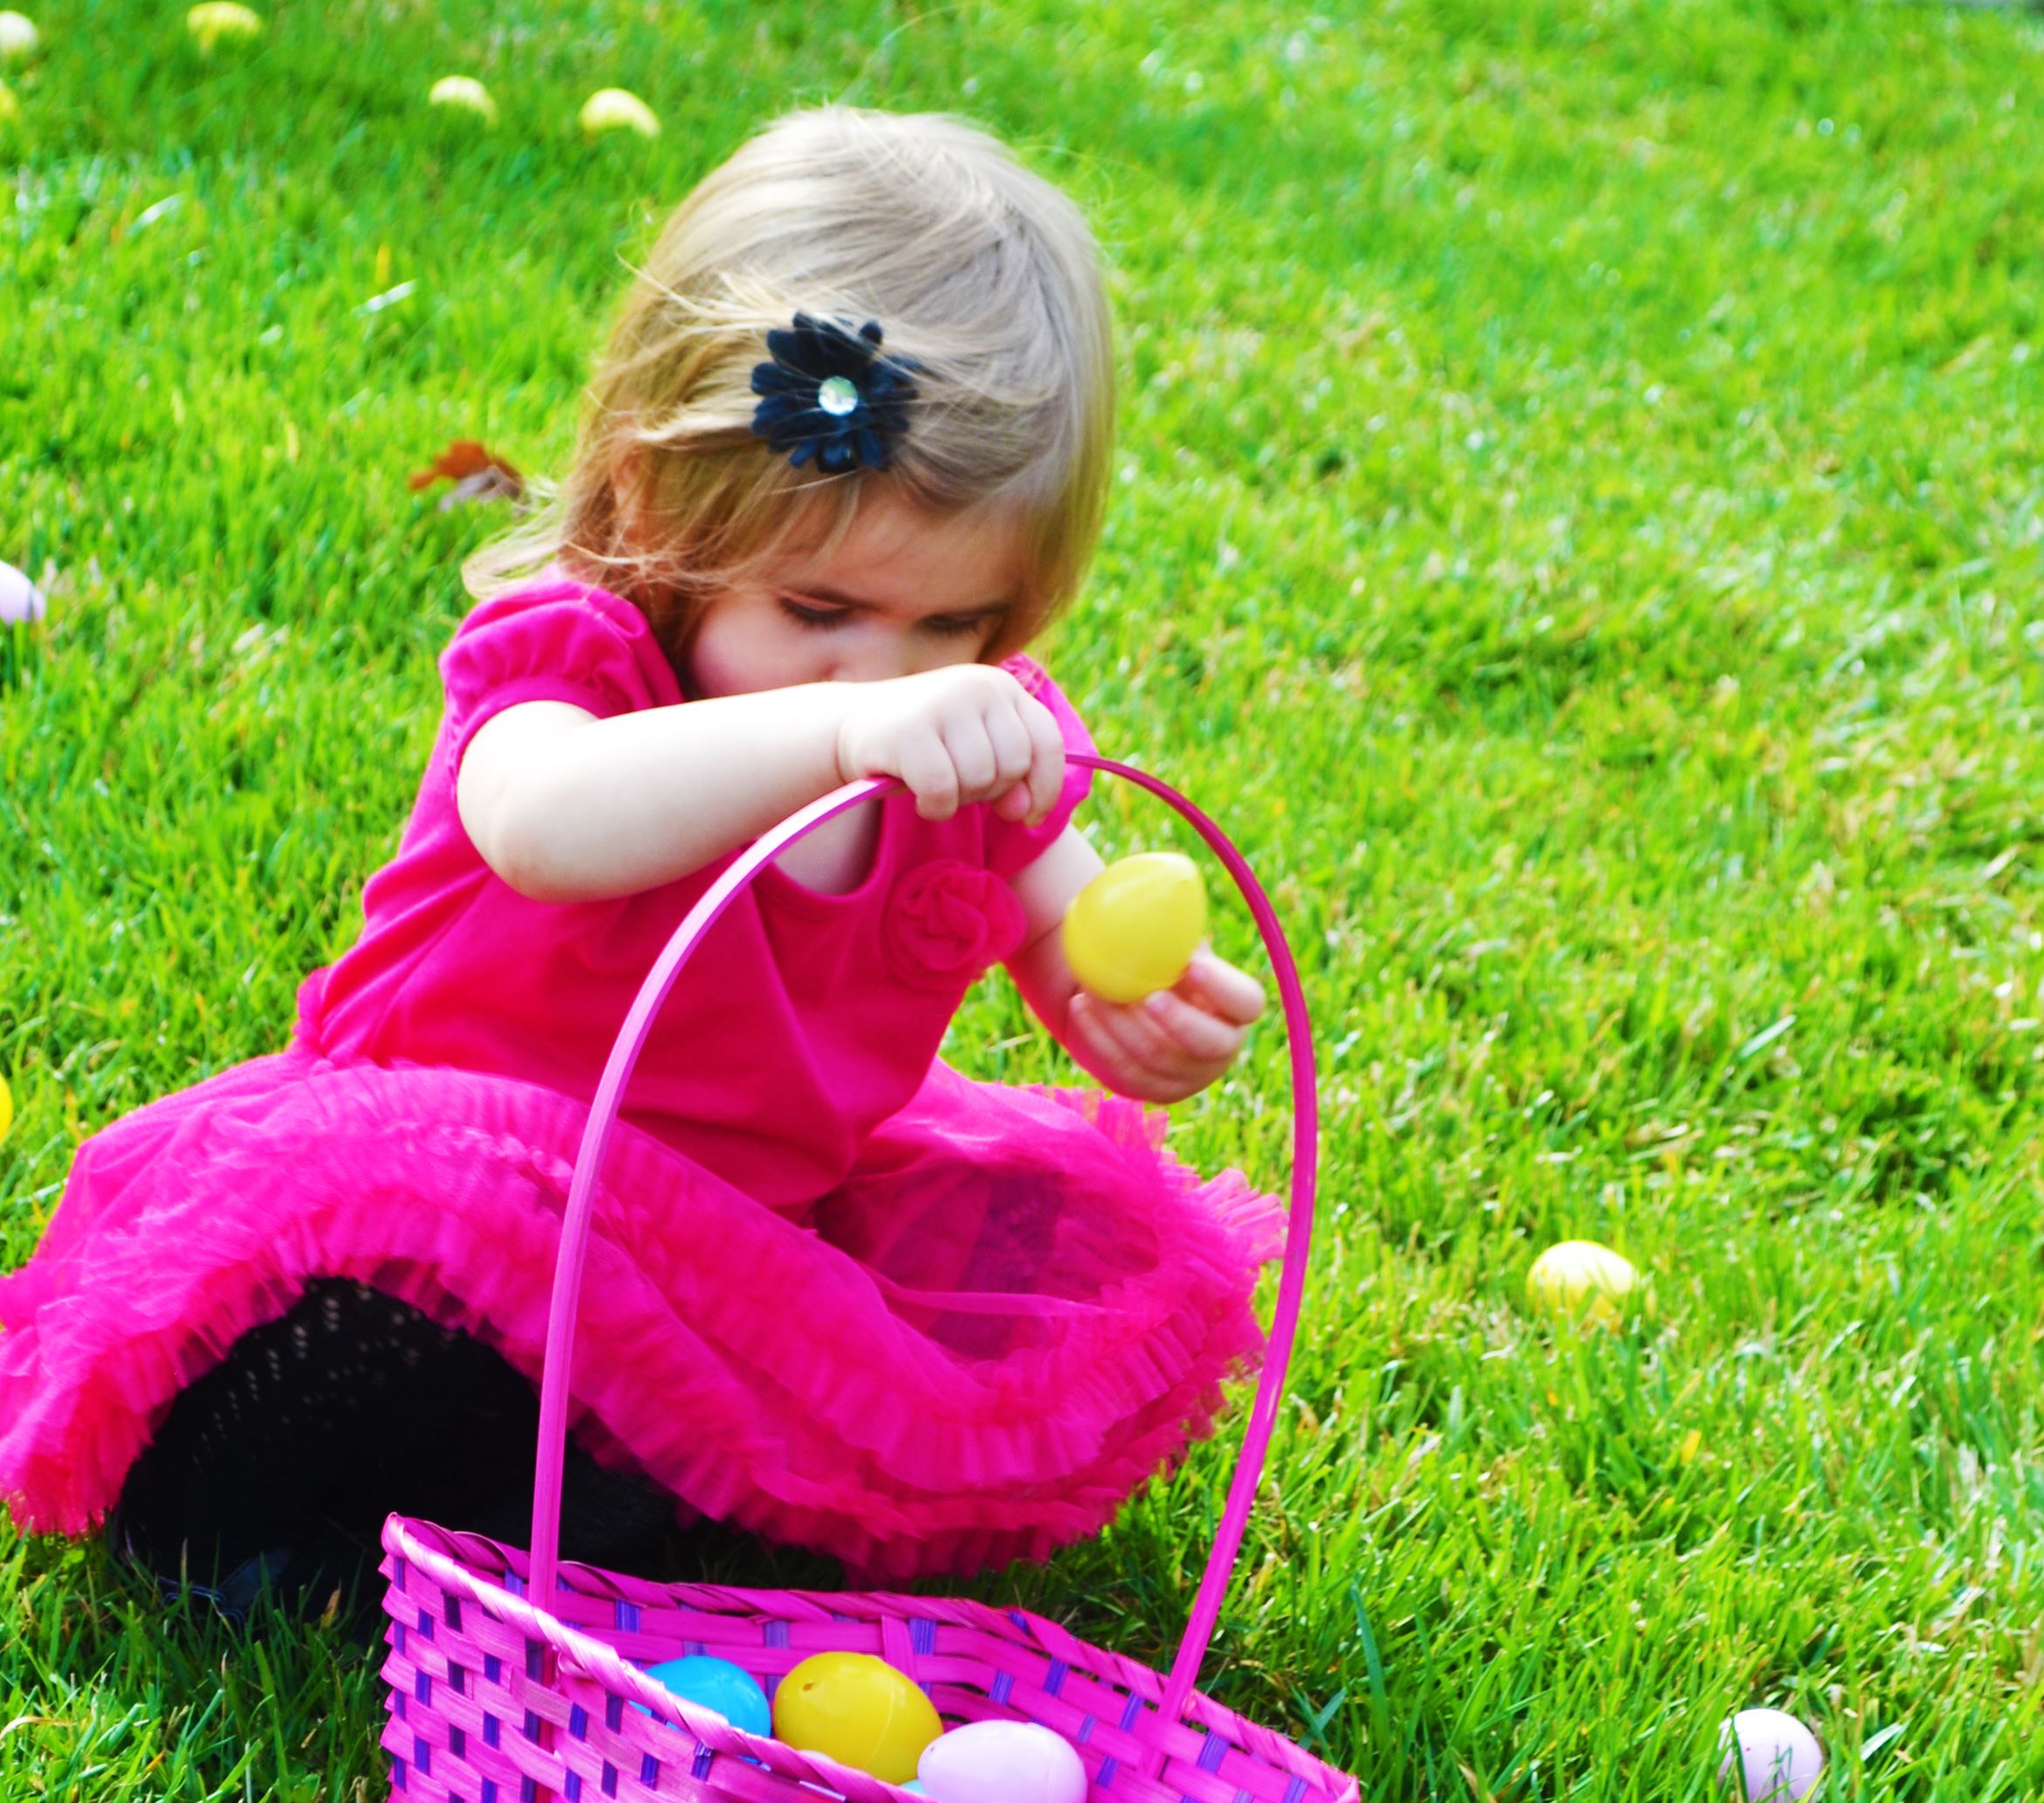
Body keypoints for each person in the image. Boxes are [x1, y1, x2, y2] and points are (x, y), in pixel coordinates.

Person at [0, 106, 1281, 1612]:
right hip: (437, 1207)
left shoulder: (972, 741)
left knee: (1049, 1263)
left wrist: (1118, 1002)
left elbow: (1062, 919)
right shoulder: (582, 667)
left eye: (954, 625)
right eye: (818, 610)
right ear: (662, 513)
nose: (888, 666)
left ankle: (538, 1518)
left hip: (718, 1261)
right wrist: (843, 732)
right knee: (385, 1314)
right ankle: (222, 1520)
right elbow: (543, 828)